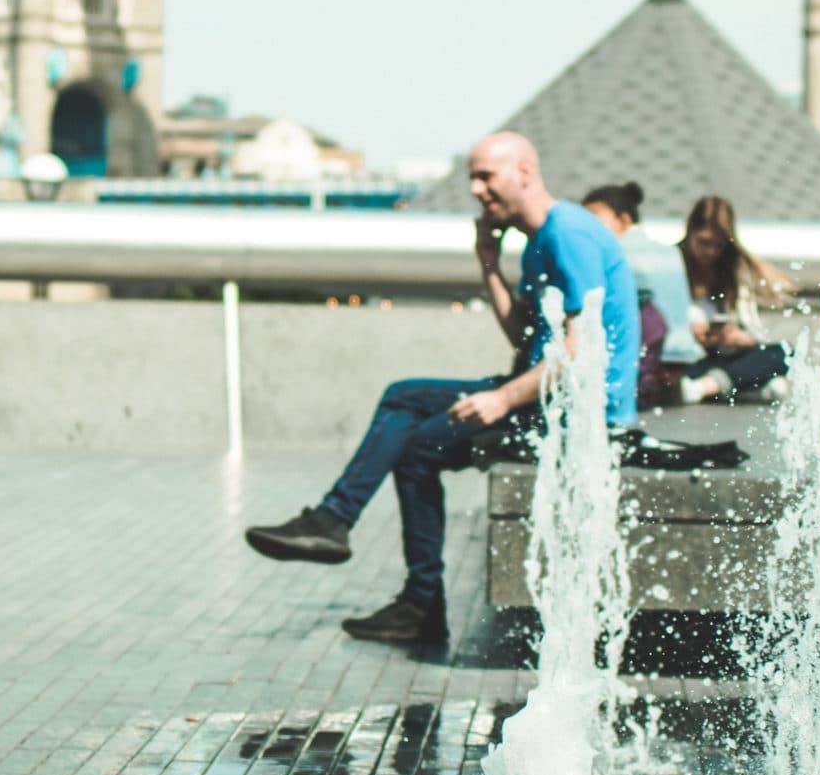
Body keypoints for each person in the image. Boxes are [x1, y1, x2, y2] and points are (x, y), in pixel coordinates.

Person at [244, 133, 641, 646]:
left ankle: (407, 590)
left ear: (524, 171)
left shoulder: (568, 233)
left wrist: (500, 399)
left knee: (415, 449)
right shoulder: (541, 237)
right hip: (548, 396)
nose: (476, 190)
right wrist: (488, 262)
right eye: (472, 178)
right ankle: (340, 527)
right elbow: (524, 335)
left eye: (485, 177)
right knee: (404, 397)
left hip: (582, 413)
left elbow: (580, 351)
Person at [582, 181, 701, 409]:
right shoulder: (670, 252)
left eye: (594, 218)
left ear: (624, 220)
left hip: (647, 367)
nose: (589, 228)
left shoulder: (616, 255)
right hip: (682, 362)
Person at [675, 194, 790, 404]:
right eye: (704, 242)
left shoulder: (732, 270)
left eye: (717, 245)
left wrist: (739, 339)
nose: (710, 252)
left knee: (786, 352)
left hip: (723, 356)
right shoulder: (672, 264)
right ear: (689, 231)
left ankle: (710, 387)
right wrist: (687, 331)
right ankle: (738, 386)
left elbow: (753, 331)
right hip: (688, 358)